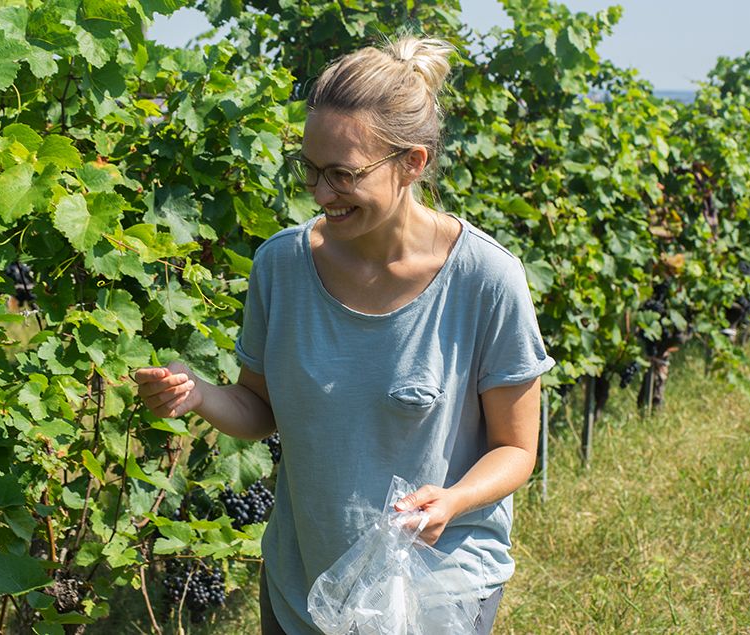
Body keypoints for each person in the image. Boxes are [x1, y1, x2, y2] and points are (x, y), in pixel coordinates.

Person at [133, 36, 554, 634]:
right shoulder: (280, 268)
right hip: (305, 581)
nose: (320, 194)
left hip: (436, 584)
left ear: (412, 163)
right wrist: (197, 394)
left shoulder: (486, 279)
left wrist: (454, 501)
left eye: (342, 175)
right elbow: (259, 410)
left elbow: (516, 449)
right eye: (310, 170)